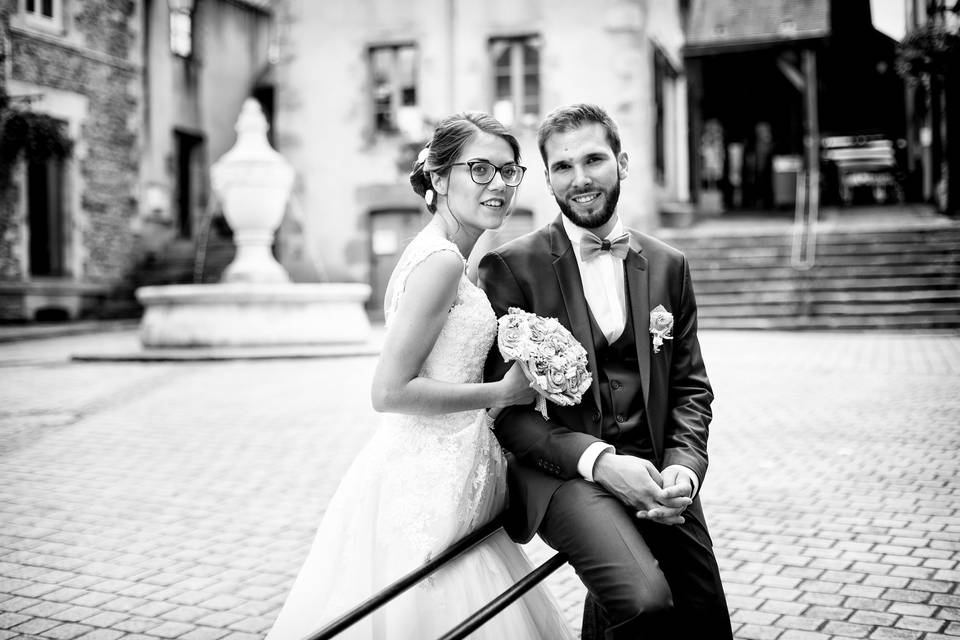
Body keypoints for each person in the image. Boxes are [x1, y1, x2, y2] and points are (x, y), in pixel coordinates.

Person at [265, 112, 573, 640]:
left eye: (508, 171)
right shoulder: (442, 264)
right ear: (436, 177)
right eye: (479, 169)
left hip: (441, 466)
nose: (497, 184)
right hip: (426, 479)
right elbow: (389, 391)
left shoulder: (446, 257)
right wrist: (501, 392)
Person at [479, 103, 732, 639]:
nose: (580, 179)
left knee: (706, 618)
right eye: (562, 167)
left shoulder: (668, 265)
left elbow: (690, 387)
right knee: (644, 603)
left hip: (660, 467)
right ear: (547, 179)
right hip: (564, 469)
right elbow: (507, 417)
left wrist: (684, 468)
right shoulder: (510, 267)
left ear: (622, 162)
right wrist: (599, 462)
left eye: (594, 159)